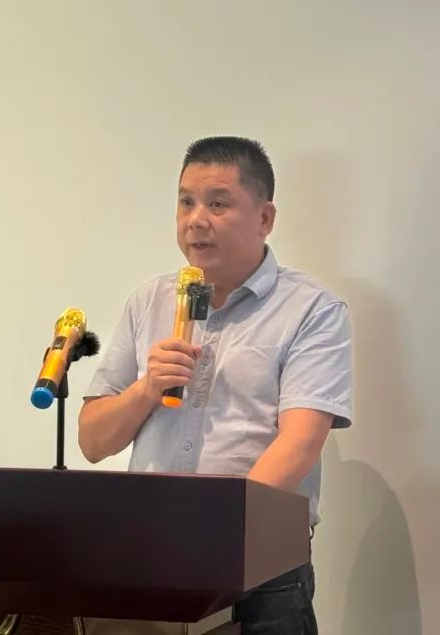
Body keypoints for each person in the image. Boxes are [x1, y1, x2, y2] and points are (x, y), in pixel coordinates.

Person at [78, 136, 353, 635]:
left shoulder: (311, 310)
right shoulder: (149, 301)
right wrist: (147, 388)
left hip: (261, 569)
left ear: (265, 218)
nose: (196, 220)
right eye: (186, 202)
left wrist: (215, 535)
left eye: (218, 204)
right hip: (150, 554)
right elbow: (93, 441)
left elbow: (300, 442)